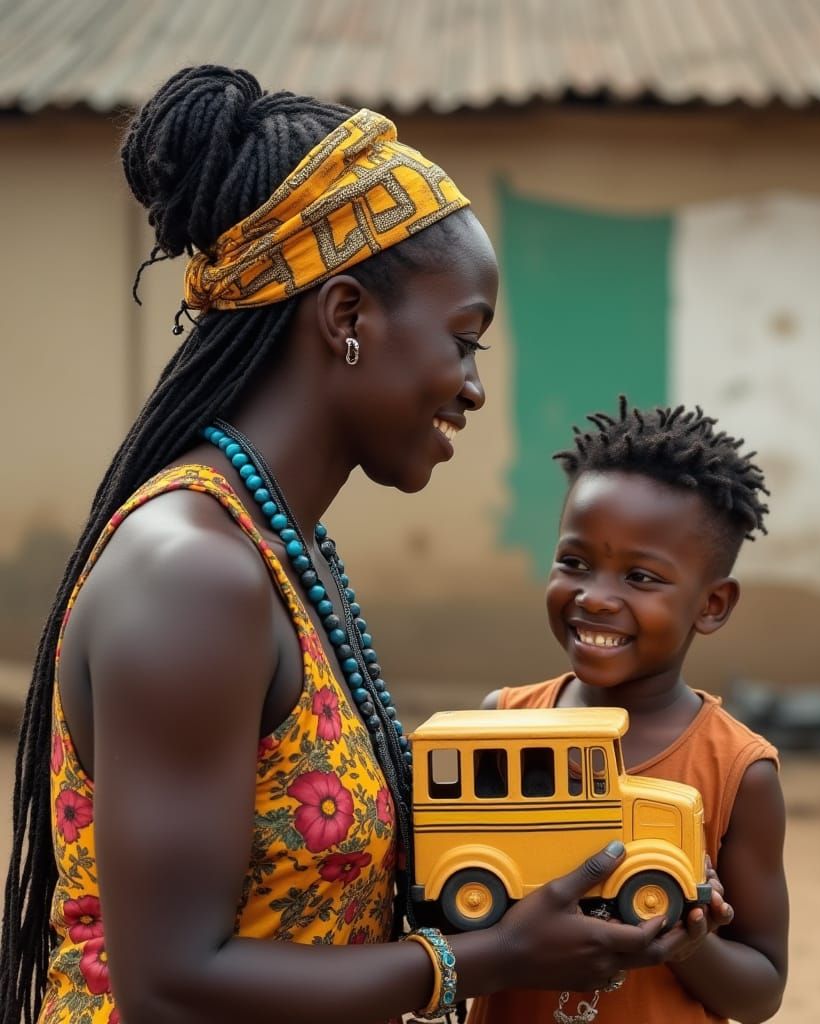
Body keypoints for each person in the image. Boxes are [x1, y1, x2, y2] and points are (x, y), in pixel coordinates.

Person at [0, 68, 685, 1024]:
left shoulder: (289, 552)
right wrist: (477, 961)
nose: (474, 387)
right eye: (465, 338)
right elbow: (170, 988)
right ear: (349, 317)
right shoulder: (194, 575)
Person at [470, 397, 789, 1024]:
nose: (595, 597)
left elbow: (762, 989)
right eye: (575, 562)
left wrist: (689, 942)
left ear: (713, 604)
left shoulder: (738, 772)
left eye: (641, 577)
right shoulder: (503, 724)